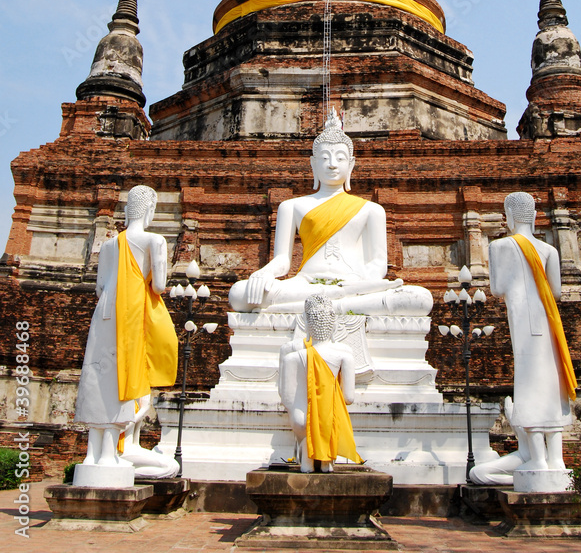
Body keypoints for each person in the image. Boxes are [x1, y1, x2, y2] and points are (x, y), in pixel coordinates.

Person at [228, 109, 432, 316]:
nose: (332, 164)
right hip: (305, 284)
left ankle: (320, 306)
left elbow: (377, 264)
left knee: (420, 299)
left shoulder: (371, 210)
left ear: (351, 164)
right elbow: (282, 260)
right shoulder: (291, 206)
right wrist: (264, 273)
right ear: (313, 163)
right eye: (325, 158)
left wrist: (355, 284)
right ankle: (332, 306)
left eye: (340, 158)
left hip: (352, 285)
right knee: (239, 293)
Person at [74, 184, 178, 468]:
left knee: (100, 375)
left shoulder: (109, 244)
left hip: (105, 312)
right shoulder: (154, 240)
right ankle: (110, 454)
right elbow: (158, 285)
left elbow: (100, 287)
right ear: (150, 210)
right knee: (126, 378)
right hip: (132, 313)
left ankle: (92, 454)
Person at [488, 191, 576, 474]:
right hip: (546, 321)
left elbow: (497, 289)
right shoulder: (550, 250)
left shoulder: (499, 247)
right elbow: (557, 292)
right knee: (550, 384)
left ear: (509, 216)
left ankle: (538, 459)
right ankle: (557, 460)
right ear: (535, 215)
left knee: (527, 384)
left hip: (522, 321)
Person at [278, 293, 361, 472]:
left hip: (301, 419)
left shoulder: (291, 357)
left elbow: (287, 398)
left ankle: (307, 457)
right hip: (330, 419)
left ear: (306, 324)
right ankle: (326, 461)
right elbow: (348, 397)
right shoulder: (344, 355)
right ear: (334, 325)